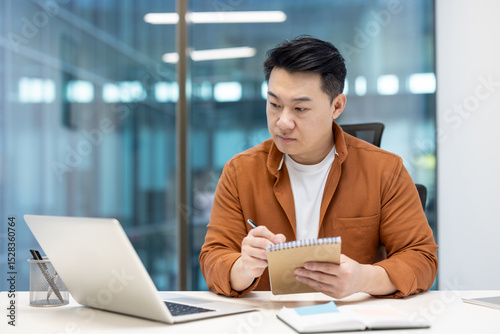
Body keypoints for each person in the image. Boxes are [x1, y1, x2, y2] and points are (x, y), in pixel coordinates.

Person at [199, 36, 438, 299]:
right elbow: (213, 259)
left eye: (300, 108)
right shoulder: (240, 172)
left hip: (352, 320)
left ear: (336, 106)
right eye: (274, 105)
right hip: (268, 322)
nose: (283, 122)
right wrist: (243, 267)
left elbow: (422, 258)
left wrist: (363, 278)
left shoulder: (385, 170)